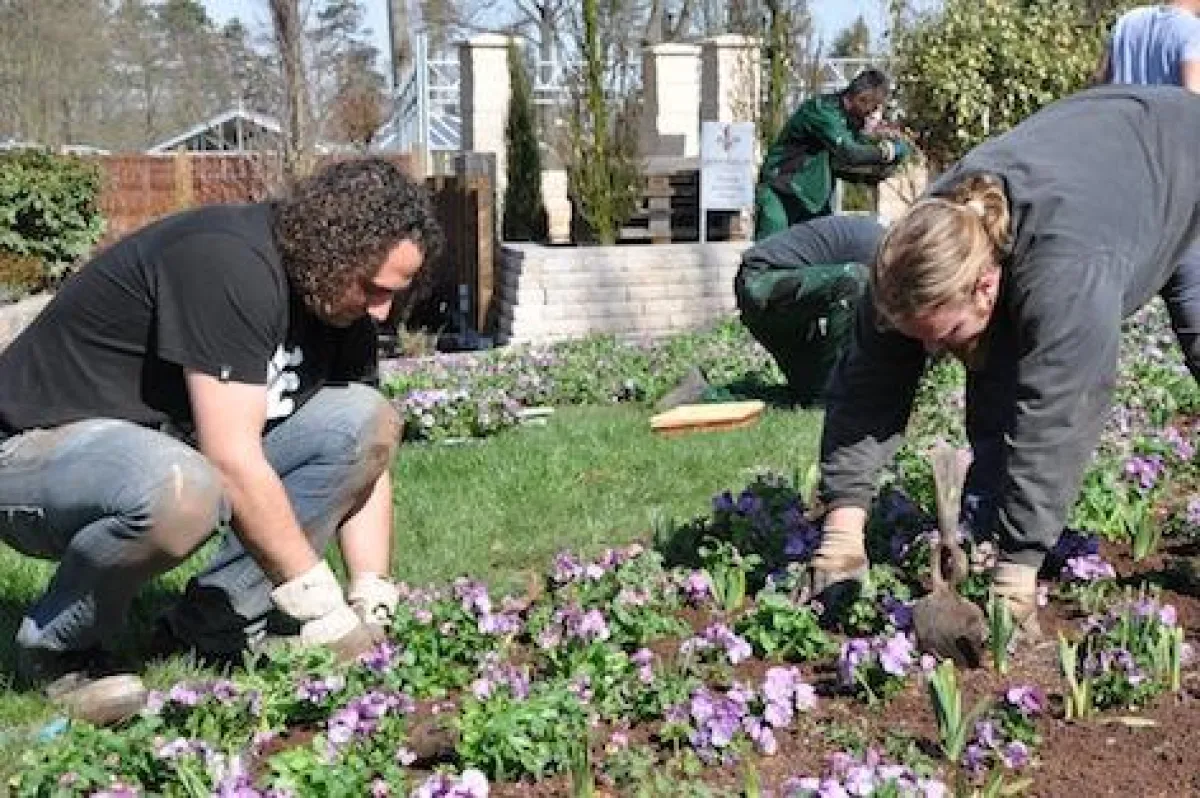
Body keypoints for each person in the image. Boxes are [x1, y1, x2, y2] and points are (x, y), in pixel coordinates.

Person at [0, 157, 443, 724]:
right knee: (183, 489)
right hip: (31, 451)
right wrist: (321, 608)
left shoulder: (339, 305)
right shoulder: (227, 260)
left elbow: (368, 455)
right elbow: (231, 459)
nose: (382, 311)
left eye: (395, 295)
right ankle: (61, 650)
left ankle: (212, 622)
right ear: (337, 249)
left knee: (365, 417)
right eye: (373, 289)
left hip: (159, 454)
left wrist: (370, 596)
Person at [806, 84, 1200, 640]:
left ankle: (1009, 550)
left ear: (987, 286)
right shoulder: (920, 246)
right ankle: (989, 529)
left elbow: (1058, 413)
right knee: (992, 356)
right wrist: (842, 532)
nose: (932, 353)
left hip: (1180, 160)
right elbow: (871, 379)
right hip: (1096, 153)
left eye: (944, 335)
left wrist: (1016, 584)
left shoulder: (1067, 269)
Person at [734, 215, 885, 406]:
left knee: (812, 392)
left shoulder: (884, 245)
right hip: (761, 283)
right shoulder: (876, 247)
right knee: (854, 279)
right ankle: (840, 389)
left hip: (789, 300)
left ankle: (707, 393)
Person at [753, 69, 911, 241]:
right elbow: (849, 154)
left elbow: (847, 165)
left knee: (820, 254)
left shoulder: (849, 123)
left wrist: (882, 169)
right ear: (862, 98)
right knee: (769, 254)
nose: (873, 114)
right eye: (873, 106)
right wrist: (889, 151)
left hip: (812, 200)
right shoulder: (821, 111)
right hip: (780, 192)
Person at [1093, 0, 1200, 92]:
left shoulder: (1127, 21)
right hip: (1164, 115)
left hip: (1122, 113)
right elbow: (1194, 100)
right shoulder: (1193, 31)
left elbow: (1099, 79)